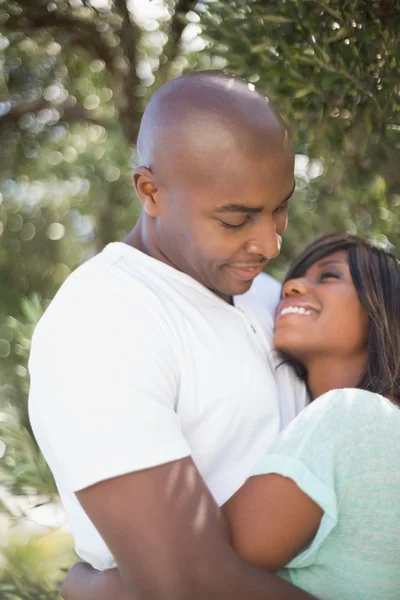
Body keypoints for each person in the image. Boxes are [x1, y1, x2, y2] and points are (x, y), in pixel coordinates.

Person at [28, 70, 314, 600]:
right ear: (151, 192)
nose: (270, 242)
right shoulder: (101, 320)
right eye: (235, 220)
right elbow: (186, 587)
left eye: (280, 208)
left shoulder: (270, 294)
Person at [63, 233, 400, 600]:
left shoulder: (348, 418)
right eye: (296, 277)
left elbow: (187, 581)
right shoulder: (382, 423)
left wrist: (81, 582)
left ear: (382, 308)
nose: (292, 287)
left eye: (329, 276)